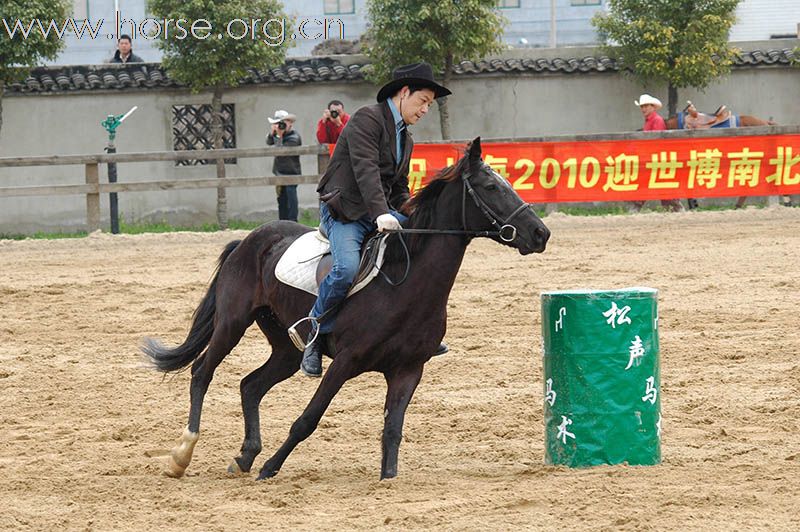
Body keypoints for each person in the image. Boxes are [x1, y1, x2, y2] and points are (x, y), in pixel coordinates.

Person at [300, 62, 451, 378]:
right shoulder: (366, 120)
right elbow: (365, 170)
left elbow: (398, 186)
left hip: (378, 212)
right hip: (346, 212)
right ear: (404, 92)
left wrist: (411, 214)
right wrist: (381, 212)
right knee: (346, 270)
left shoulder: (405, 139)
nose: (425, 110)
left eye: (429, 105)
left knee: (425, 253)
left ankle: (417, 330)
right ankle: (311, 332)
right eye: (423, 101)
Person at [632, 94, 684, 213]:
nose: (643, 109)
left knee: (652, 186)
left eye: (646, 106)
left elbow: (657, 143)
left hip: (657, 160)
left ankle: (636, 208)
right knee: (662, 189)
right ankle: (676, 210)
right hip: (655, 160)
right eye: (642, 106)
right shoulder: (652, 121)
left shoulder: (656, 121)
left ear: (653, 107)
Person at [267, 110, 302, 222]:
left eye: (283, 123)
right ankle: (282, 221)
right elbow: (268, 142)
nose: (281, 126)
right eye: (279, 123)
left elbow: (280, 151)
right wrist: (273, 133)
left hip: (291, 172)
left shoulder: (294, 137)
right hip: (279, 172)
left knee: (291, 201)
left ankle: (293, 222)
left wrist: (279, 135)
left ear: (290, 123)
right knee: (281, 199)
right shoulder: (278, 134)